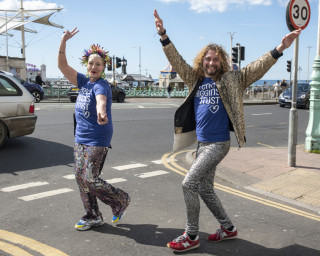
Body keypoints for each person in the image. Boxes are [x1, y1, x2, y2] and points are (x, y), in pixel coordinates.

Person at [154, 9, 301, 253]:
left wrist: (279, 48)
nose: (211, 63)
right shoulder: (196, 79)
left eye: (215, 59)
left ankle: (191, 235)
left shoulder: (232, 80)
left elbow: (256, 68)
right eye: (207, 59)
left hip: (218, 144)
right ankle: (228, 227)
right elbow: (177, 60)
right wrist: (163, 35)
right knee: (204, 188)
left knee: (189, 184)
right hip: (202, 144)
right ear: (202, 61)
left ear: (221, 61)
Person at [58, 27, 130, 231]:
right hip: (80, 138)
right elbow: (62, 65)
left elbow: (101, 99)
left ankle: (120, 199)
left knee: (90, 177)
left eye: (98, 64)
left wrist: (101, 112)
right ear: (87, 65)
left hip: (98, 138)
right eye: (91, 63)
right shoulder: (82, 82)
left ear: (103, 66)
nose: (94, 67)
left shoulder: (102, 86)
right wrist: (64, 41)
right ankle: (93, 216)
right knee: (80, 178)